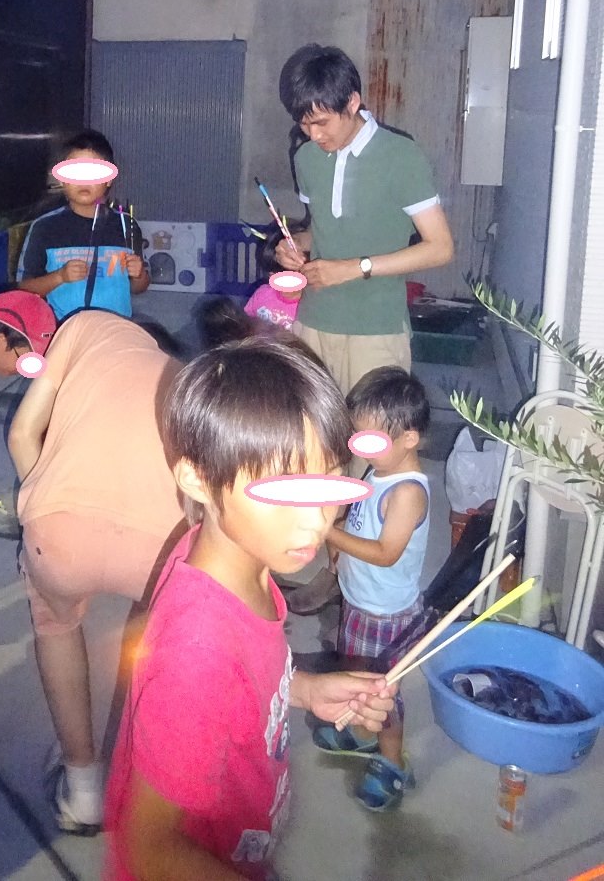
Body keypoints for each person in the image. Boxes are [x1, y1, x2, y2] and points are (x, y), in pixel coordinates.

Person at [104, 337, 396, 880]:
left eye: (327, 482)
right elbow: (152, 850)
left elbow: (243, 677)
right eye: (282, 493)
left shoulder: (241, 560)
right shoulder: (196, 655)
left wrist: (302, 690)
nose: (316, 521)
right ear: (197, 477)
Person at [0, 294, 185, 835]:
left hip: (60, 537)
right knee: (162, 645)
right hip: (160, 544)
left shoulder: (84, 326)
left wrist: (37, 508)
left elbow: (22, 433)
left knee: (58, 628)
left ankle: (84, 790)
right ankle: (154, 786)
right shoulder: (183, 378)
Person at [275, 45, 454, 394]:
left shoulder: (401, 156)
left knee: (370, 430)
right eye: (304, 124)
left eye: (322, 122)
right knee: (311, 427)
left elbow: (441, 248)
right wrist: (296, 243)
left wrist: (355, 268)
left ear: (353, 102)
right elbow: (322, 228)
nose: (313, 135)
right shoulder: (307, 158)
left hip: (376, 329)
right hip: (312, 323)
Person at [313, 366, 430, 812]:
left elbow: (385, 553)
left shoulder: (407, 493)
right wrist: (339, 542)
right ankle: (362, 731)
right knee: (356, 675)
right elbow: (358, 518)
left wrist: (328, 532)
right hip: (361, 602)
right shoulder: (377, 471)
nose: (360, 447)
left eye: (371, 440)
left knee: (382, 694)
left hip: (387, 614)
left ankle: (393, 761)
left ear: (409, 438)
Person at [17, 130, 148, 320]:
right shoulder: (44, 227)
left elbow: (139, 287)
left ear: (109, 179)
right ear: (61, 179)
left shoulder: (126, 225)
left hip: (115, 330)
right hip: (63, 330)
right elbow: (24, 288)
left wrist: (139, 275)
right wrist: (60, 277)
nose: (84, 180)